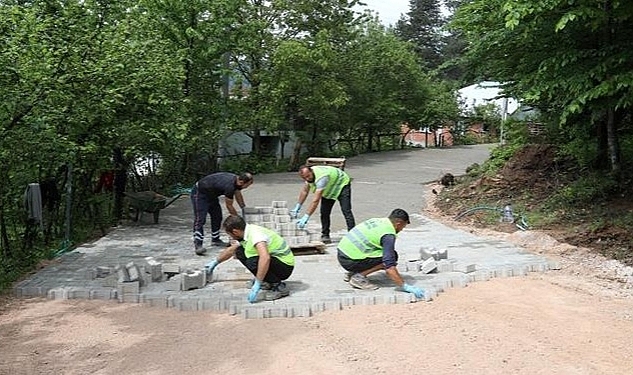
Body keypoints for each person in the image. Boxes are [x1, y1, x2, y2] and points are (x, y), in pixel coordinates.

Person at [336, 208, 425, 299]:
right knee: (392, 257)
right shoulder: (388, 235)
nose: (402, 229)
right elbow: (389, 266)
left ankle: (352, 272)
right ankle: (358, 277)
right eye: (403, 226)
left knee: (385, 253)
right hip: (350, 261)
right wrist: (404, 286)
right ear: (399, 223)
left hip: (342, 254)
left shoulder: (377, 221)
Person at [204, 215, 295, 303]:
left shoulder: (256, 236)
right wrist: (215, 263)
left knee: (253, 262)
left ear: (235, 232)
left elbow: (265, 258)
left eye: (230, 234)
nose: (231, 237)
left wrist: (258, 282)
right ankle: (268, 280)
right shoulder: (245, 232)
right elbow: (231, 250)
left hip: (285, 266)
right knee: (239, 251)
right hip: (276, 261)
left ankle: (278, 286)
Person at [190, 172, 253, 255]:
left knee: (217, 216)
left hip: (212, 195)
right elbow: (229, 206)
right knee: (200, 219)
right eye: (248, 185)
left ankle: (215, 239)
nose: (247, 187)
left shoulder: (237, 182)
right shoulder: (229, 186)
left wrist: (244, 208)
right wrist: (238, 221)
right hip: (200, 194)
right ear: (241, 182)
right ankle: (198, 245)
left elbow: (238, 194)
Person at [289, 165, 355, 244]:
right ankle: (325, 235)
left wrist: (306, 216)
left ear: (311, 171)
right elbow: (304, 191)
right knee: (324, 213)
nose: (307, 179)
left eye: (308, 176)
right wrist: (298, 206)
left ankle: (352, 235)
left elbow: (316, 200)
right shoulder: (309, 176)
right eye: (304, 178)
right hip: (330, 188)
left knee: (346, 210)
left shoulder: (321, 178)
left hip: (341, 184)